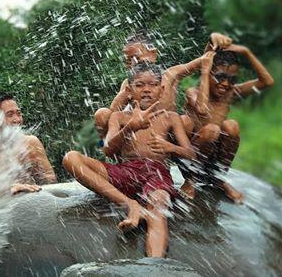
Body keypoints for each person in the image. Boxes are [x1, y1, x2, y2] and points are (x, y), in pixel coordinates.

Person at [63, 62, 196, 258]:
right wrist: (130, 127)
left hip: (157, 173)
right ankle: (129, 205)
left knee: (158, 206)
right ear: (129, 90)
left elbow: (190, 153)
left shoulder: (170, 117)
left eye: (152, 85)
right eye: (140, 85)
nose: (146, 90)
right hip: (126, 171)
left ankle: (155, 264)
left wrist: (170, 147)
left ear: (162, 89)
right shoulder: (119, 117)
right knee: (70, 158)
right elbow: (107, 150)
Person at [180, 44, 274, 202]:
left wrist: (247, 51)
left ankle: (218, 179)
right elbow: (202, 109)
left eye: (232, 79)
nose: (225, 83)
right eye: (219, 77)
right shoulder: (193, 93)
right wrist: (204, 71)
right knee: (211, 130)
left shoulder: (231, 93)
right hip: (189, 157)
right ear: (209, 73)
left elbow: (267, 81)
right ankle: (190, 180)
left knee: (232, 126)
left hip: (212, 159)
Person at [94, 32, 233, 139]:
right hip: (140, 135)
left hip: (168, 135)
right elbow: (112, 114)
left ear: (153, 54)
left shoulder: (171, 74)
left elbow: (204, 60)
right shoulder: (128, 83)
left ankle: (192, 167)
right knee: (102, 114)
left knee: (186, 121)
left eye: (136, 57)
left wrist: (212, 40)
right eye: (128, 60)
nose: (132, 63)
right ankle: (116, 158)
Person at [0, 92, 57, 193]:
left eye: (18, 113)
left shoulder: (30, 143)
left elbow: (52, 180)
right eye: (10, 115)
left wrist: (39, 174)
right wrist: (9, 187)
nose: (17, 119)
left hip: (28, 200)